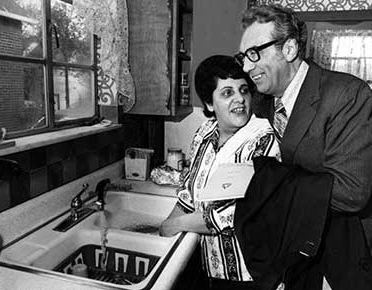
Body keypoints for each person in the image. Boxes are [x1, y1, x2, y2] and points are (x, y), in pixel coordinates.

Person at [234, 4, 372, 290]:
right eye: (243, 57)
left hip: (340, 255)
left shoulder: (346, 94)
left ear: (289, 50)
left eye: (254, 54)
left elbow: (352, 192)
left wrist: (263, 180)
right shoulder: (264, 104)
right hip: (294, 258)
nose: (246, 67)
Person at [159, 55, 280, 290]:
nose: (240, 99)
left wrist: (177, 224)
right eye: (227, 93)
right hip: (212, 269)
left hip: (250, 277)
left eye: (243, 90)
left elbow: (238, 214)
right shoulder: (204, 134)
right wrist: (165, 227)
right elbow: (188, 191)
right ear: (209, 104)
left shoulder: (263, 140)